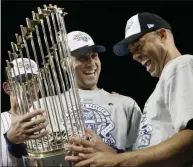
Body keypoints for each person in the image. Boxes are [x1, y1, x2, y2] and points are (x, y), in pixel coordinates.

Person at [64, 13, 193, 167]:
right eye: (132, 52)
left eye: (138, 46)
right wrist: (112, 153)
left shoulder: (182, 65)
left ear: (162, 35)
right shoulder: (164, 83)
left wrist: (117, 160)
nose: (135, 56)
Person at [6, 31, 142, 159]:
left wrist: (112, 155)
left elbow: (145, 155)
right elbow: (26, 155)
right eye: (82, 58)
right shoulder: (43, 106)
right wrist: (12, 141)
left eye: (94, 56)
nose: (91, 64)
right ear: (65, 64)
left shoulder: (126, 104)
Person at [1, 58, 48, 166]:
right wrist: (12, 142)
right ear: (8, 88)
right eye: (22, 81)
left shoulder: (50, 115)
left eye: (34, 80)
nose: (29, 87)